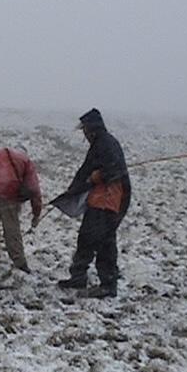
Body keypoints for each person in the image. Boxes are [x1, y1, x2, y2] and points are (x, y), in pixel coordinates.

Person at [57, 108, 131, 298]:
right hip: (99, 200)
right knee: (90, 238)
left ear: (92, 129)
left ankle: (107, 283)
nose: (85, 134)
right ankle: (80, 276)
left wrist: (96, 176)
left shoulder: (106, 144)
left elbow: (112, 169)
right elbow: (85, 171)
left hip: (107, 200)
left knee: (101, 240)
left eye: (85, 130)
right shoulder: (101, 143)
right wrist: (73, 189)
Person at [0, 146, 42, 280]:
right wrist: (36, 214)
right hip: (10, 194)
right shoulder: (26, 161)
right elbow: (34, 190)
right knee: (12, 230)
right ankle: (20, 263)